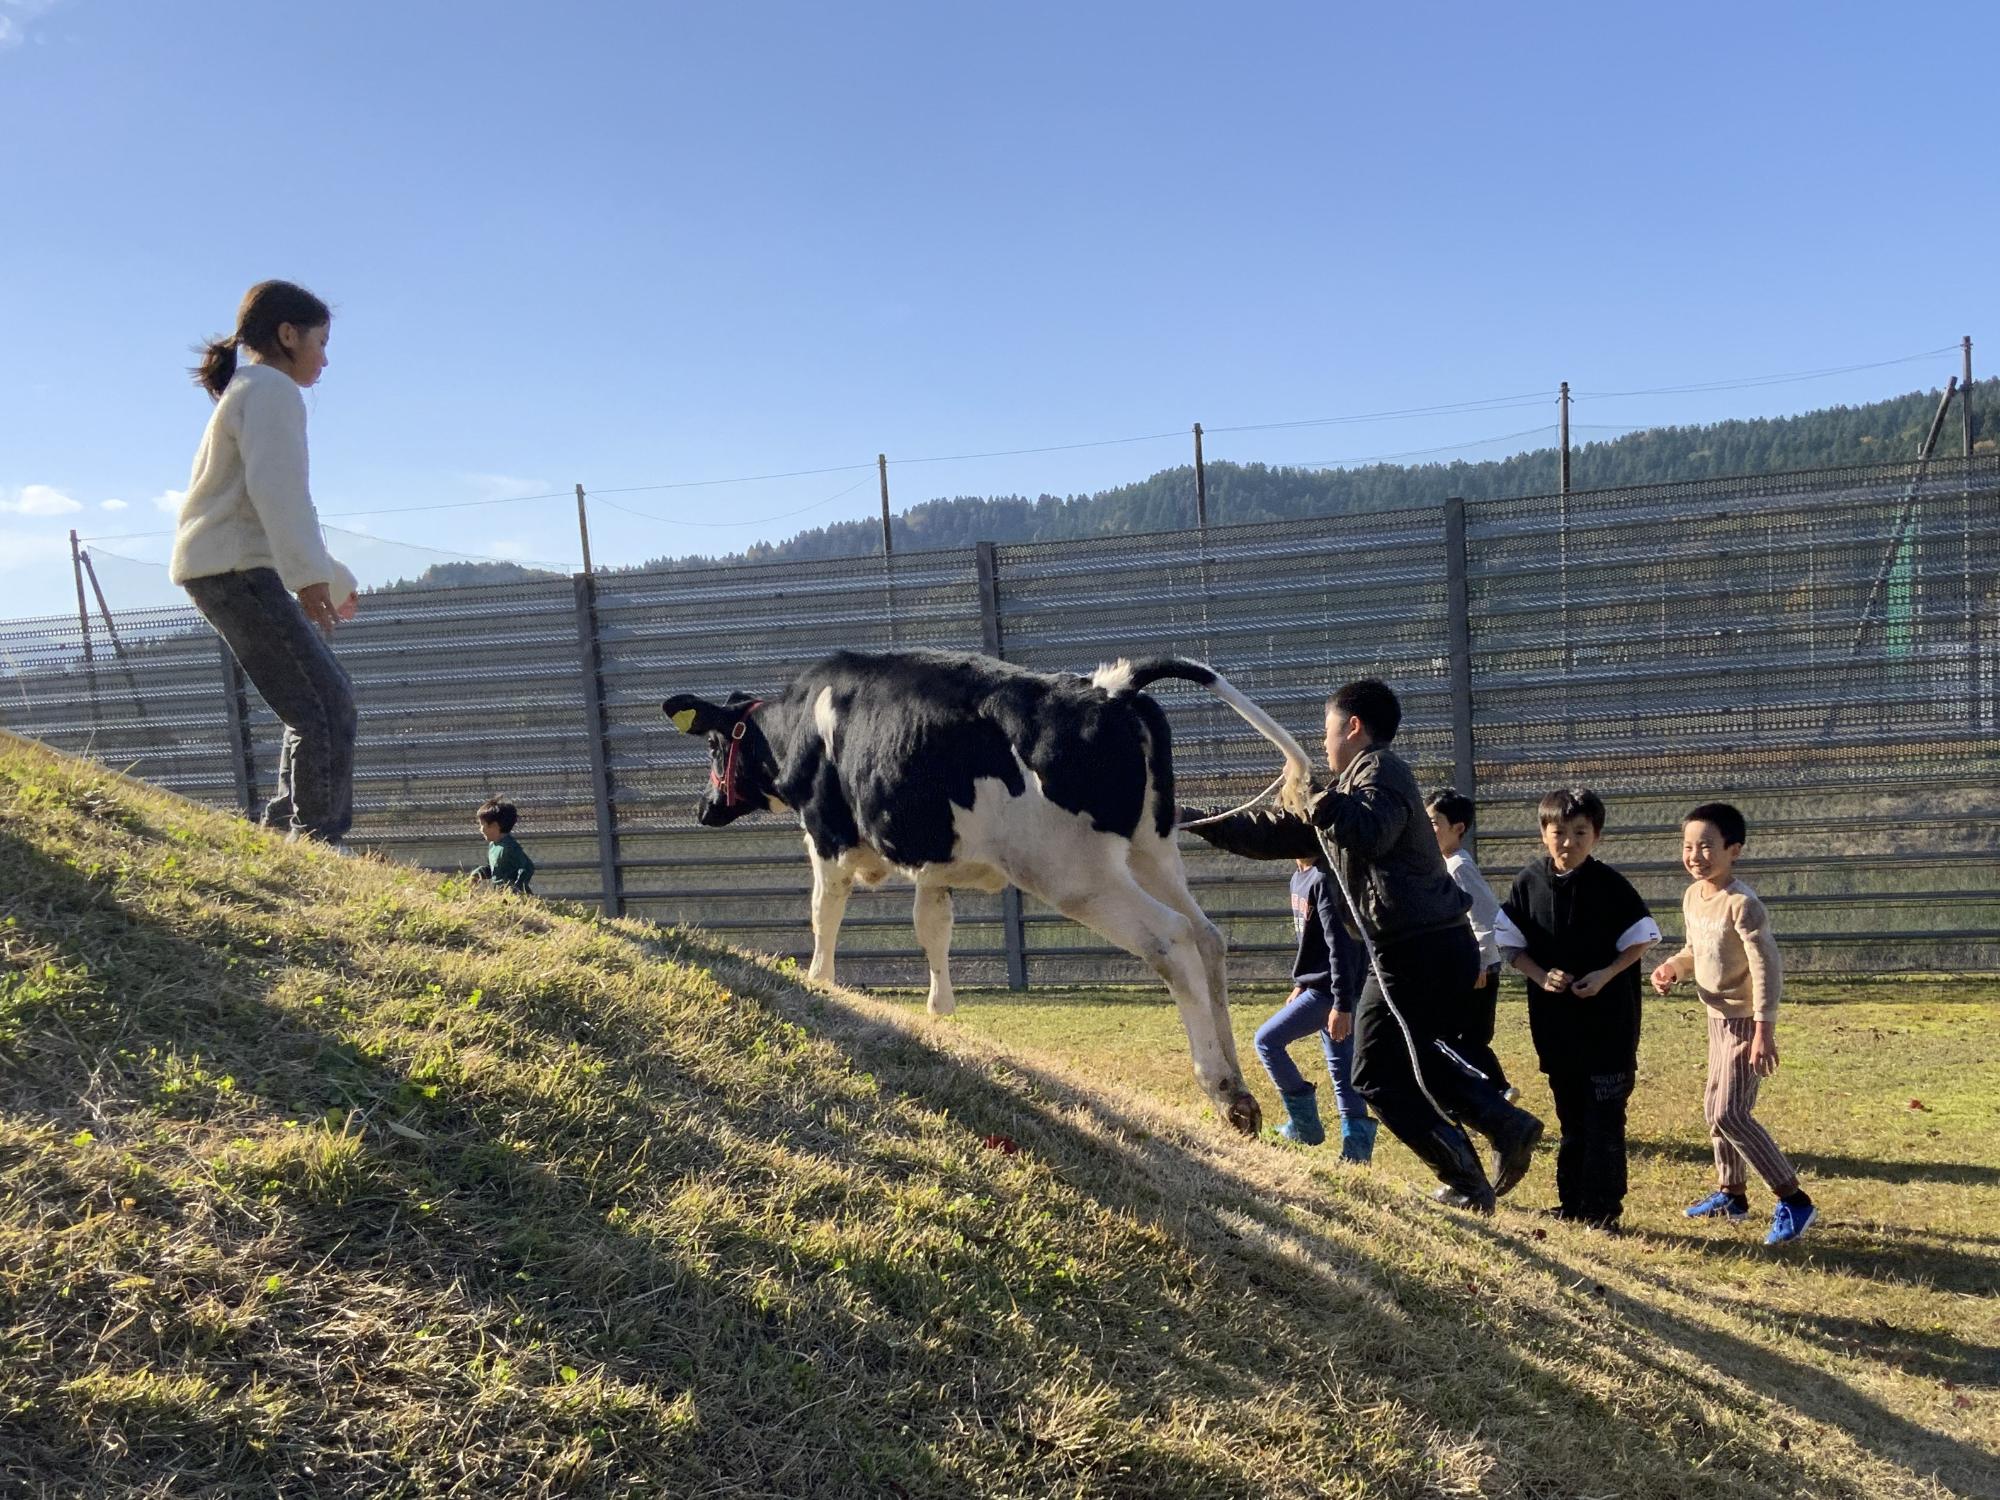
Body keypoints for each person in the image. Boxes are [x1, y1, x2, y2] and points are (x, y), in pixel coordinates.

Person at [1182, 679, 1544, 1212]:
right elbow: (1277, 834)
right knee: (1405, 1063)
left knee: (1374, 1072)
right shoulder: (1351, 789)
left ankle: (1475, 1169)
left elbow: (1371, 832)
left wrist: (1313, 792)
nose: (1322, 743)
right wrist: (1194, 820)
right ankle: (1502, 1132)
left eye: (1327, 730)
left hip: (1419, 947)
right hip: (1413, 948)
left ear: (1352, 727)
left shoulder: (1381, 771)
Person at [171, 280, 359, 845]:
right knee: (326, 706)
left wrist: (331, 577)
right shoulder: (272, 389)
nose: (325, 359)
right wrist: (311, 579)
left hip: (228, 567)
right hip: (236, 571)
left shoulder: (249, 389)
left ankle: (283, 834)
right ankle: (317, 842)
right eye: (321, 342)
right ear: (288, 335)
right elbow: (279, 493)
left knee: (312, 704)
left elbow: (265, 505)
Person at [1494, 788, 1660, 1230]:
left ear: (1596, 836)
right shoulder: (1528, 883)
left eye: (1580, 832)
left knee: (1604, 1118)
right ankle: (1571, 1203)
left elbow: (1642, 938)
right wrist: (1540, 975)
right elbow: (1510, 944)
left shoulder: (1611, 886)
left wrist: (1605, 975)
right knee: (1570, 1116)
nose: (1568, 842)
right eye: (1559, 832)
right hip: (1557, 1027)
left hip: (1608, 1026)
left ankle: (1604, 1210)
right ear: (1543, 833)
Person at [1651, 803, 1815, 1246]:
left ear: (1734, 850)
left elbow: (1766, 968)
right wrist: (1672, 969)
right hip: (1716, 1019)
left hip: (1745, 1022)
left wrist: (1764, 1029)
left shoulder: (1743, 905)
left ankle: (1794, 1200)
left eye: (1706, 846)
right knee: (1714, 1110)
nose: (1695, 856)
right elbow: (1694, 950)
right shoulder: (1693, 896)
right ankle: (1732, 1195)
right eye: (1688, 846)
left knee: (1731, 1113)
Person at [1249, 856, 1376, 1161]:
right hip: (1322, 988)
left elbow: (1342, 945)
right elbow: (1312, 943)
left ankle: (1305, 1127)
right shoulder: (1300, 877)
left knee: (1267, 1041)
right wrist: (1300, 984)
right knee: (1342, 1067)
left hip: (1331, 993)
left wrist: (1341, 1005)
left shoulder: (1324, 879)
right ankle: (1357, 1154)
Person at [1427, 787, 1513, 1097]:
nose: (1427, 829)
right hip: (1462, 966)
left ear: (1458, 828)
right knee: (1457, 1038)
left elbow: (1486, 917)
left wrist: (1480, 963)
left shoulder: (1459, 867)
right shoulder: (1443, 864)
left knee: (1462, 1039)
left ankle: (1498, 1093)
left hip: (1476, 969)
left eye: (1434, 822)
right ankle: (1490, 1096)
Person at [474, 798, 536, 893]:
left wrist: (517, 886)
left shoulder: (510, 847)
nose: (481, 829)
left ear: (494, 826)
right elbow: (493, 869)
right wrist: (478, 874)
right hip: (500, 894)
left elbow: (528, 867)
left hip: (513, 896)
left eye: (482, 825)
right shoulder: (493, 846)